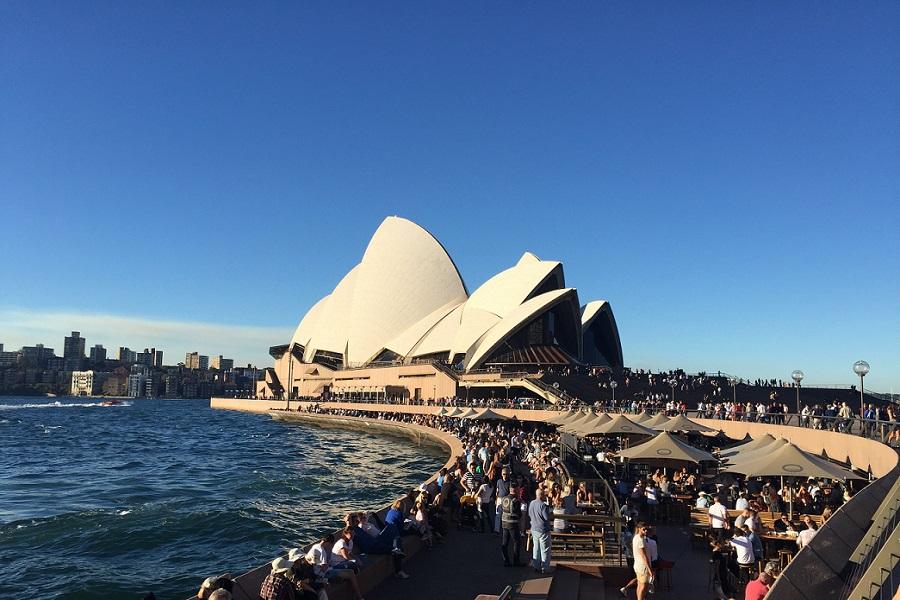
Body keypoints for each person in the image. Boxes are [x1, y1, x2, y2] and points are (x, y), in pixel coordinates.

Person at [528, 487, 553, 573]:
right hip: (543, 529)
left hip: (534, 528)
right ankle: (545, 568)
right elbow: (546, 517)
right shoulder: (543, 505)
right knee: (545, 549)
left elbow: (529, 514)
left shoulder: (531, 503)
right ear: (542, 496)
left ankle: (536, 566)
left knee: (536, 548)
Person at [500, 481, 523, 566]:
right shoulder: (516, 500)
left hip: (504, 522)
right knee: (516, 542)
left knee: (505, 542)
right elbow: (519, 514)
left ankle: (506, 560)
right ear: (516, 489)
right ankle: (516, 561)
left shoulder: (504, 498)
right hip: (513, 523)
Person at [631, 521, 653, 600]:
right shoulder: (640, 540)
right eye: (644, 529)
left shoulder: (636, 537)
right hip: (643, 567)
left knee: (639, 586)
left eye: (646, 529)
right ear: (639, 529)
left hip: (638, 565)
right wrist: (650, 570)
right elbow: (644, 556)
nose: (646, 531)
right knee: (643, 587)